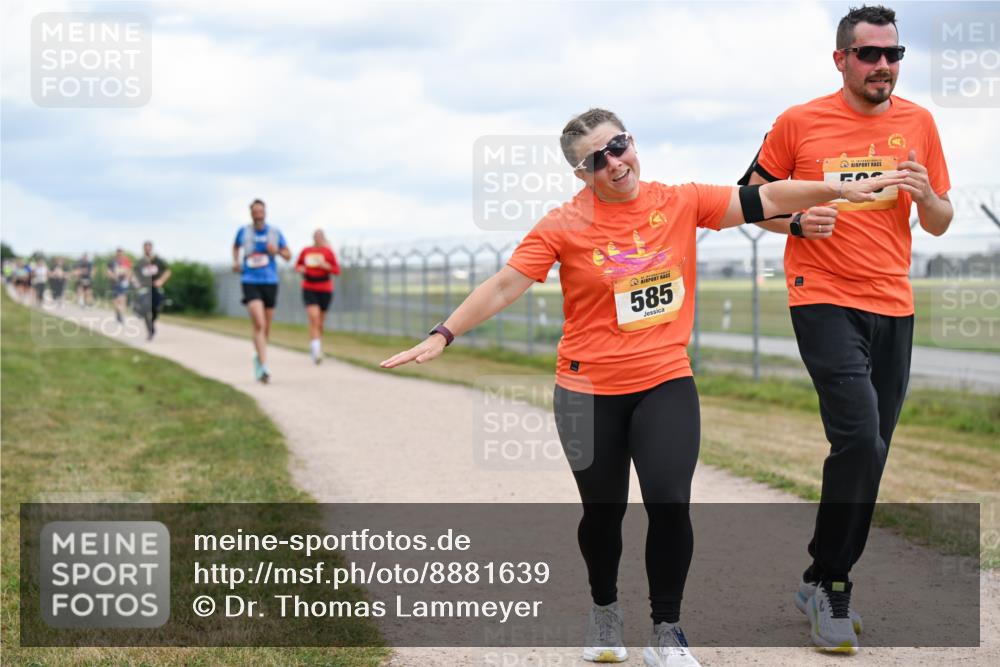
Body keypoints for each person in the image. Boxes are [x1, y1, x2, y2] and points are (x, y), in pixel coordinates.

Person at [381, 109, 903, 667]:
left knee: (670, 502)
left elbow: (768, 197)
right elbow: (507, 284)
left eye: (618, 146)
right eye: (595, 160)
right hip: (586, 388)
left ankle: (666, 629)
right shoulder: (562, 224)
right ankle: (605, 610)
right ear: (580, 174)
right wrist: (443, 333)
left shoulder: (680, 201)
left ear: (631, 143)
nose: (613, 163)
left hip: (664, 379)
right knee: (602, 514)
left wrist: (840, 187)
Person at [742, 5, 952, 655]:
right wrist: (796, 223)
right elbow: (750, 198)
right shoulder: (798, 122)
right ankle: (834, 585)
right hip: (823, 297)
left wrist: (926, 195)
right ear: (842, 59)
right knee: (858, 436)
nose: (883, 65)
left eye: (893, 54)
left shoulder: (919, 123)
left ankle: (818, 576)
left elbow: (939, 220)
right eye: (869, 54)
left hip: (893, 303)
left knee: (873, 450)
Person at [232, 199, 291, 383]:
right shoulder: (243, 231)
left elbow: (288, 255)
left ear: (265, 213)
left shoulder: (274, 232)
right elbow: (235, 246)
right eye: (255, 212)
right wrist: (235, 261)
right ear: (251, 214)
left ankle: (258, 358)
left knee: (266, 327)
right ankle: (264, 367)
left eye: (261, 212)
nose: (258, 215)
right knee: (259, 323)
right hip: (250, 280)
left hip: (270, 281)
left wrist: (277, 251)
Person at [294, 229, 341, 364]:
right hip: (309, 287)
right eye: (316, 236)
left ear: (323, 238)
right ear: (313, 238)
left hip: (325, 288)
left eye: (320, 236)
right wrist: (300, 269)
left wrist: (326, 266)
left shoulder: (328, 252)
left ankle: (316, 345)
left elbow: (336, 270)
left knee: (320, 322)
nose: (318, 238)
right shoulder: (306, 251)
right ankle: (316, 353)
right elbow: (297, 265)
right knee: (314, 318)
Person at [134, 241, 172, 341]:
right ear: (143, 249)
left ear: (151, 248)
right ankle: (150, 330)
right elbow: (133, 273)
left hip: (155, 287)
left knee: (156, 308)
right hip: (144, 288)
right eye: (146, 248)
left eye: (149, 248)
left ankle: (151, 324)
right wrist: (136, 282)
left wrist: (161, 281)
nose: (147, 250)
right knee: (146, 308)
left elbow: (168, 271)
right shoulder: (140, 261)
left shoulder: (158, 260)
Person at [106, 248, 133, 323]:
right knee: (115, 301)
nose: (120, 255)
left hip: (123, 283)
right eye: (119, 254)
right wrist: (113, 276)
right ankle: (118, 312)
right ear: (116, 254)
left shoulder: (126, 261)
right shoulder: (112, 262)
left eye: (121, 254)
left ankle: (121, 315)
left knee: (123, 299)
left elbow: (129, 271)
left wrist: (128, 279)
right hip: (114, 283)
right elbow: (108, 272)